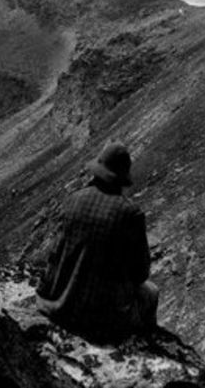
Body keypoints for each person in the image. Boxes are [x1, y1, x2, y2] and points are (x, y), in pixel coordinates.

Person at [36, 141, 159, 342]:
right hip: (102, 321)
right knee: (151, 292)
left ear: (97, 172)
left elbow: (54, 254)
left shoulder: (73, 200)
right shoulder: (130, 214)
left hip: (60, 307)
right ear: (122, 178)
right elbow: (140, 273)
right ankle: (145, 345)